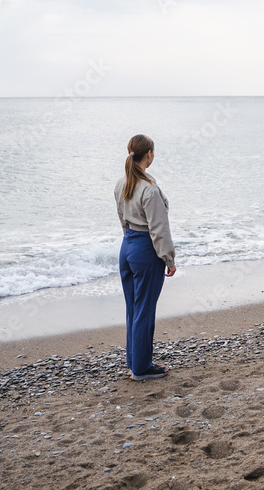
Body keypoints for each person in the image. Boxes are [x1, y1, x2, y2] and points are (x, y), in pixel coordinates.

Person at [114, 134, 176, 380]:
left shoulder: (122, 183)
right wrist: (168, 259)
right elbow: (159, 229)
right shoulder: (149, 189)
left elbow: (122, 218)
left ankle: (134, 361)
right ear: (149, 154)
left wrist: (129, 242)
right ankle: (140, 368)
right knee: (145, 309)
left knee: (133, 307)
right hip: (145, 249)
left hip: (127, 246)